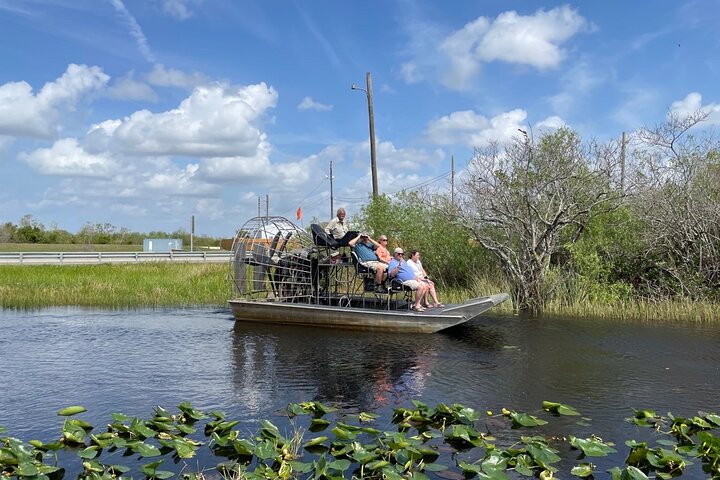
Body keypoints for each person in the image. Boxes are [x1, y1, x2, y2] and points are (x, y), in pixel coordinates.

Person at [387, 247, 429, 312]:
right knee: (420, 287)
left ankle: (417, 304)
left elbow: (409, 271)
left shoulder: (403, 261)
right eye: (399, 254)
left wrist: (416, 278)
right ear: (395, 254)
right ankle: (416, 306)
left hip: (412, 279)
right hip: (403, 282)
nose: (400, 255)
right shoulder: (393, 262)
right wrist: (398, 267)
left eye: (402, 254)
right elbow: (391, 274)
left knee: (425, 285)